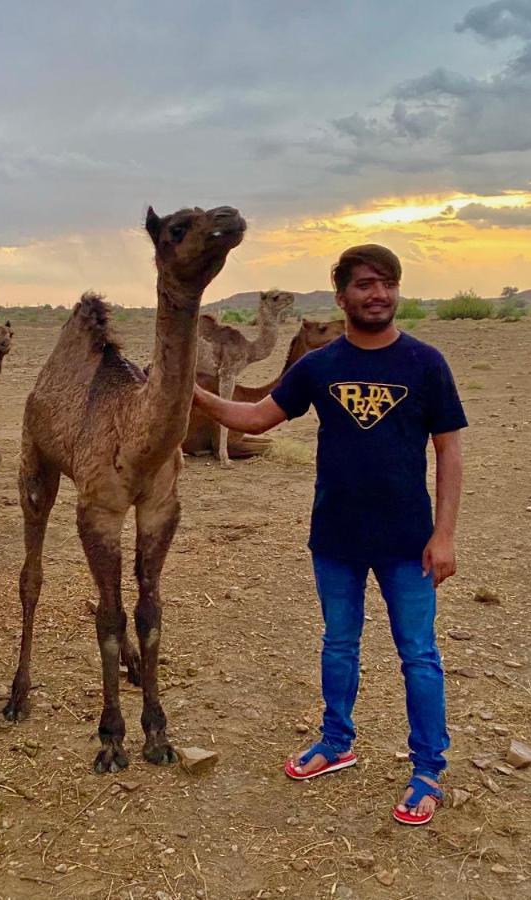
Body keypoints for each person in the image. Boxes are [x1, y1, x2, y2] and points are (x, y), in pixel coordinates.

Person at [192, 244, 467, 827]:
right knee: (338, 644)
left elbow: (449, 451)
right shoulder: (320, 366)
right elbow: (257, 416)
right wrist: (189, 392)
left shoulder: (425, 364)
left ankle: (427, 769)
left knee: (418, 654)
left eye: (387, 283)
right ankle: (336, 742)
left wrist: (444, 535)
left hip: (407, 541)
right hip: (336, 538)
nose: (379, 294)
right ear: (341, 296)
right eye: (365, 284)